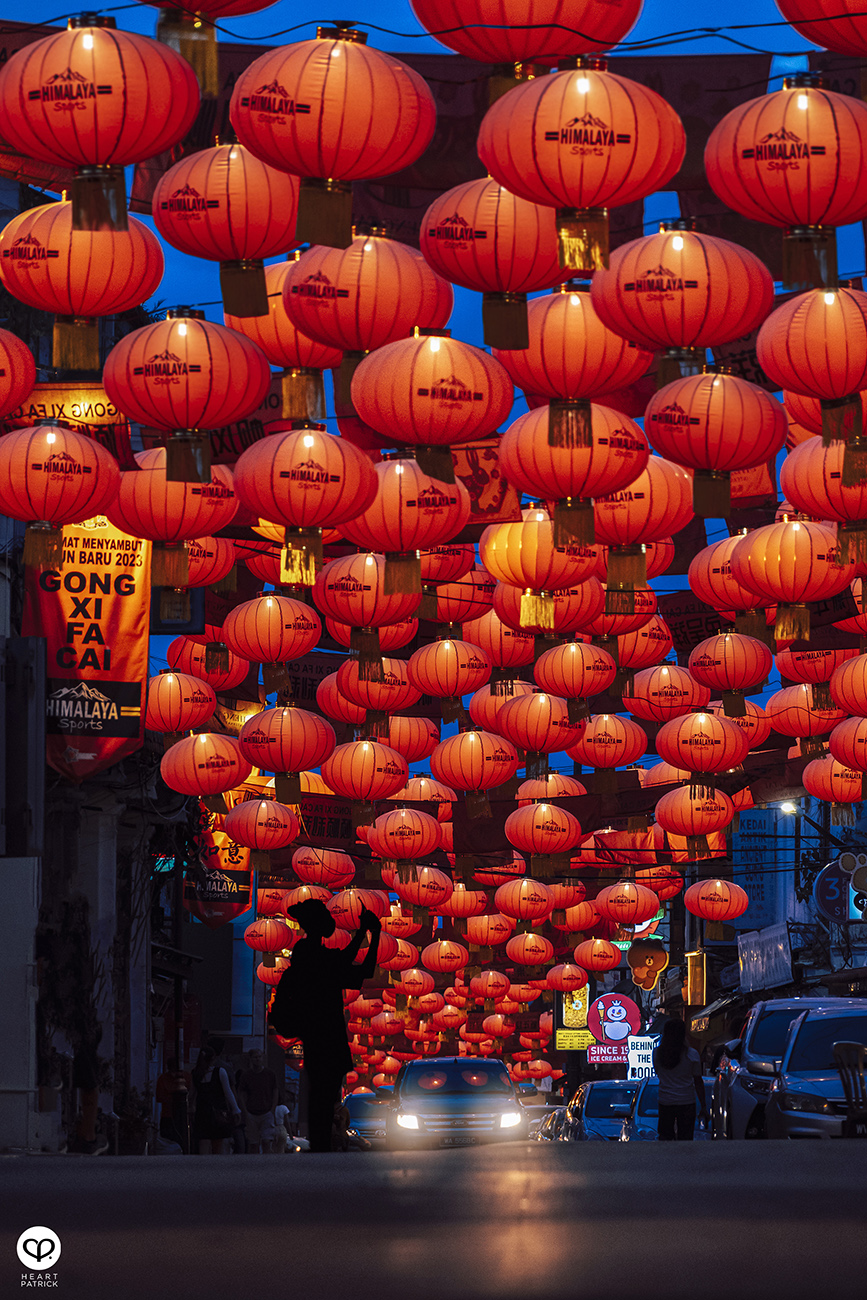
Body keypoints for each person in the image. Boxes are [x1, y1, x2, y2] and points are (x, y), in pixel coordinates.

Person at [270, 898, 380, 1153]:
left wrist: (372, 935)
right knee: (322, 1092)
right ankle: (320, 1144)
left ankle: (322, 1143)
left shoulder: (316, 956)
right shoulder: (308, 953)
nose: (331, 921)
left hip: (323, 1035)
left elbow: (363, 970)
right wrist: (367, 932)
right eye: (326, 917)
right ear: (317, 923)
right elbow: (346, 962)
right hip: (323, 1034)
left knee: (324, 1093)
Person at [652, 1018, 709, 1141]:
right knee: (686, 1137)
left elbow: (657, 1072)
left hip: (665, 1101)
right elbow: (698, 1081)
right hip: (686, 1101)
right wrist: (703, 1105)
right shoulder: (691, 1054)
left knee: (665, 1137)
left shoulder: (657, 1053)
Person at [192, 1045, 241, 1155]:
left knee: (203, 1140)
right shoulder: (220, 1072)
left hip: (202, 1110)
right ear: (213, 1058)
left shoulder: (196, 1073)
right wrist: (236, 1109)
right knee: (217, 1141)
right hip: (218, 1110)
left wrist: (191, 1108)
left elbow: (192, 1093)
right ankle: (215, 1164)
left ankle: (203, 1164)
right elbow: (228, 1092)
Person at [237, 1049, 279, 1153]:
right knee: (253, 1143)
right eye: (255, 1057)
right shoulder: (246, 1075)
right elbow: (241, 1093)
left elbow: (275, 1091)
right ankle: (254, 1164)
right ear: (251, 1059)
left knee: (266, 1141)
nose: (258, 1059)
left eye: (259, 1057)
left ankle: (265, 1164)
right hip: (251, 1112)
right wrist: (245, 1111)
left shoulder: (270, 1074)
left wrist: (272, 1109)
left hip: (266, 1112)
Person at [155, 1057, 192, 1149]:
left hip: (181, 1114)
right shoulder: (163, 1079)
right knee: (169, 1139)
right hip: (168, 1115)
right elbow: (159, 1097)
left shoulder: (186, 1077)